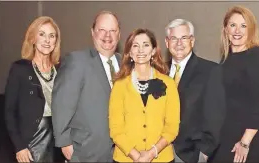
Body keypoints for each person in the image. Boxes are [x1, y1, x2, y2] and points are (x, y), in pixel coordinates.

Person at [206, 6, 259, 162]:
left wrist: (245, 142)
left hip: (249, 138)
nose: (237, 30)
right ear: (225, 29)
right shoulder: (226, 60)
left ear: (250, 29)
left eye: (243, 26)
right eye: (233, 25)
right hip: (227, 135)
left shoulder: (257, 55)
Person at [51, 10, 121, 162]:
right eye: (102, 30)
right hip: (84, 151)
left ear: (119, 34)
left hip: (120, 153)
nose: (107, 36)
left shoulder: (125, 64)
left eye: (112, 31)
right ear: (92, 32)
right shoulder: (77, 61)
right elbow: (62, 103)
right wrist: (64, 142)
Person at [109, 28, 180, 162]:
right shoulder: (119, 86)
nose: (140, 50)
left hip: (161, 158)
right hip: (126, 159)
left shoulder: (169, 84)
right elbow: (116, 129)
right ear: (130, 52)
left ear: (153, 51)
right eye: (135, 46)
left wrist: (152, 153)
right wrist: (136, 156)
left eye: (146, 45)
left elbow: (172, 127)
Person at [4, 16, 63, 162]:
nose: (47, 40)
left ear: (56, 41)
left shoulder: (61, 70)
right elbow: (9, 112)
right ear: (33, 38)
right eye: (41, 34)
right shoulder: (20, 69)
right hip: (31, 141)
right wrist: (19, 147)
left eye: (52, 35)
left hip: (57, 141)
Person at [164, 19, 217, 162]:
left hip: (190, 154)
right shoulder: (158, 71)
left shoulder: (210, 71)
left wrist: (203, 153)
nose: (179, 43)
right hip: (159, 152)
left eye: (184, 38)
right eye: (174, 38)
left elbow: (215, 116)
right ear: (167, 42)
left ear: (192, 41)